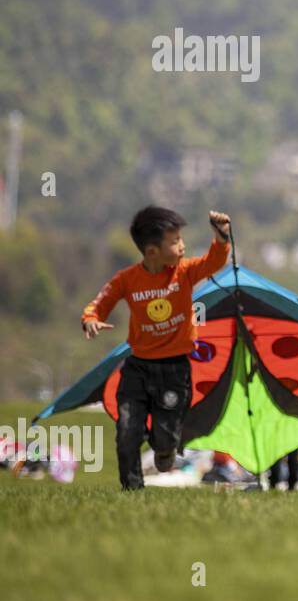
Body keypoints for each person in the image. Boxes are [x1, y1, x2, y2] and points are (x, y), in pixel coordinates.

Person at [81, 206, 231, 490]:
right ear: (152, 251)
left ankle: (165, 450)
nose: (182, 246)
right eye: (174, 241)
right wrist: (90, 318)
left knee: (165, 437)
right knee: (127, 431)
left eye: (181, 239)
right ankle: (132, 489)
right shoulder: (127, 279)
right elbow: (102, 301)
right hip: (138, 369)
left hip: (175, 371)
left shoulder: (184, 272)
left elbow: (213, 262)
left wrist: (221, 238)